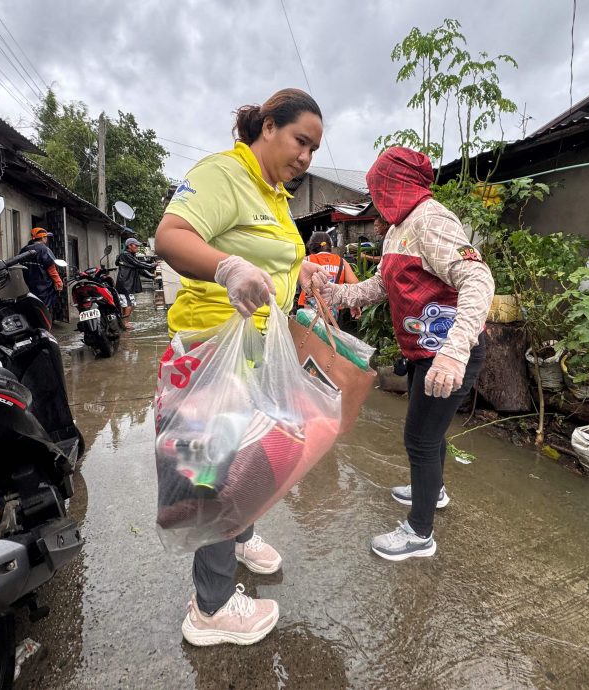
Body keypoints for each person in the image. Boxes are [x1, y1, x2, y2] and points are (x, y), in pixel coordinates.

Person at [154, 87, 326, 647]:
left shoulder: (274, 194)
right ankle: (210, 608)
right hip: (212, 353)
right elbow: (170, 237)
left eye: (314, 149)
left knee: (251, 458)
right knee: (211, 474)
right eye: (301, 141)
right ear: (268, 127)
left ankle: (241, 536)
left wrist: (301, 274)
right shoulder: (223, 174)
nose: (306, 156)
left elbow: (271, 257)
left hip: (253, 351)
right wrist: (227, 268)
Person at [312, 147, 494, 561]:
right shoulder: (399, 228)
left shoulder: (431, 220)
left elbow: (478, 279)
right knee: (430, 433)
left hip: (448, 353)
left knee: (420, 439)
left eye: (379, 186)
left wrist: (453, 353)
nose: (376, 197)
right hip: (422, 352)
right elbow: (379, 285)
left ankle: (419, 533)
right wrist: (334, 293)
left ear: (396, 184)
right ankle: (434, 490)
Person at [297, 231, 360, 318]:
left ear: (311, 246)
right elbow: (355, 285)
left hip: (309, 307)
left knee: (311, 327)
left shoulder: (306, 261)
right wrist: (354, 303)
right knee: (331, 327)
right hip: (332, 309)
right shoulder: (342, 262)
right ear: (330, 246)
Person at [115, 237, 156, 329]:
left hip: (128, 284)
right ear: (129, 246)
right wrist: (151, 265)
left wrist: (151, 276)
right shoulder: (125, 255)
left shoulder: (130, 256)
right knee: (128, 304)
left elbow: (140, 269)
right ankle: (125, 323)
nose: (137, 247)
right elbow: (138, 264)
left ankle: (123, 322)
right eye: (135, 245)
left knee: (129, 304)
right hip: (125, 284)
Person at [23, 227, 63, 314]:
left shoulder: (24, 250)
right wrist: (58, 282)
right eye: (46, 237)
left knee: (35, 306)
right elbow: (51, 268)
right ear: (42, 238)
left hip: (30, 285)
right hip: (44, 287)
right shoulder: (44, 249)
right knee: (45, 308)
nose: (46, 239)